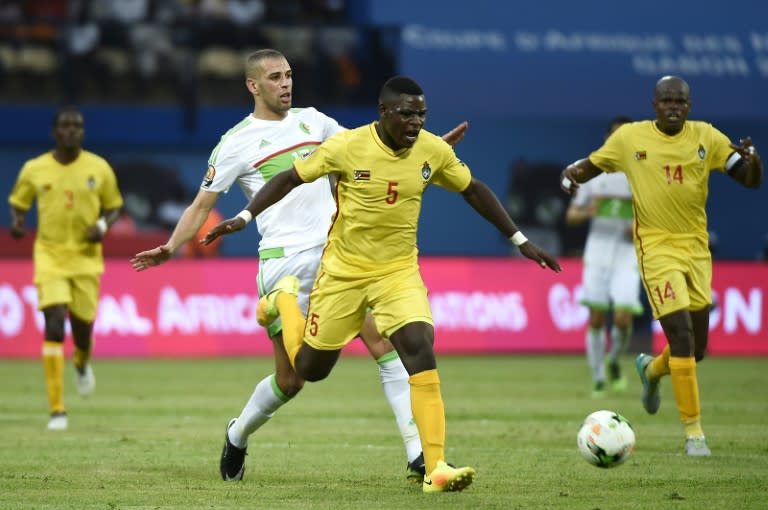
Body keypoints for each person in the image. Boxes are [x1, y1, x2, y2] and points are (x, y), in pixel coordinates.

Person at [201, 75, 561, 492]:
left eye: (422, 115)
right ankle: (279, 309)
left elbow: (474, 190)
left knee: (418, 346)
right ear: (384, 112)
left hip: (397, 273)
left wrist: (520, 240)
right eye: (407, 114)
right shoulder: (346, 146)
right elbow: (288, 179)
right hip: (341, 274)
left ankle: (433, 464)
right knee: (307, 372)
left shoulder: (432, 149)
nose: (416, 122)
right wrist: (243, 218)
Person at [129, 49, 469, 483]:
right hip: (283, 262)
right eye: (274, 77)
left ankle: (419, 456)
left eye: (289, 75)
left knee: (384, 343)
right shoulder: (236, 142)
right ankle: (238, 434)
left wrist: (431, 145)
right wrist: (171, 246)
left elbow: (373, 148)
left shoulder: (316, 121)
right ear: (254, 86)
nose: (286, 84)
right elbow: (201, 205)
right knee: (291, 382)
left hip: (337, 256)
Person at [560, 75, 763, 456]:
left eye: (680, 102)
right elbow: (589, 166)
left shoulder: (707, 137)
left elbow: (749, 180)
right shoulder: (630, 138)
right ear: (654, 105)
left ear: (690, 106)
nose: (673, 107)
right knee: (682, 336)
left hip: (696, 250)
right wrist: (570, 177)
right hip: (655, 249)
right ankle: (694, 434)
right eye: (666, 100)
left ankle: (652, 370)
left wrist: (755, 163)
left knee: (697, 348)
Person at [8, 105, 124, 431]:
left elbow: (114, 207)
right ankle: (57, 410)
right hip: (50, 256)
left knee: (83, 331)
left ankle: (82, 362)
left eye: (78, 126)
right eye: (66, 125)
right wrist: (18, 223)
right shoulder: (35, 169)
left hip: (87, 259)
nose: (72, 130)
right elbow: (19, 203)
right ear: (55, 132)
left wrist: (101, 226)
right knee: (55, 324)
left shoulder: (99, 168)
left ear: (83, 132)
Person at [564, 116, 644, 398]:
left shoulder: (642, 172)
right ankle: (598, 377)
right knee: (597, 318)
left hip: (627, 254)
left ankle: (613, 361)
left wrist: (639, 224)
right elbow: (571, 215)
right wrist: (589, 212)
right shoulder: (594, 170)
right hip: (597, 253)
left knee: (622, 318)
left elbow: (653, 214)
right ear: (608, 138)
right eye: (615, 135)